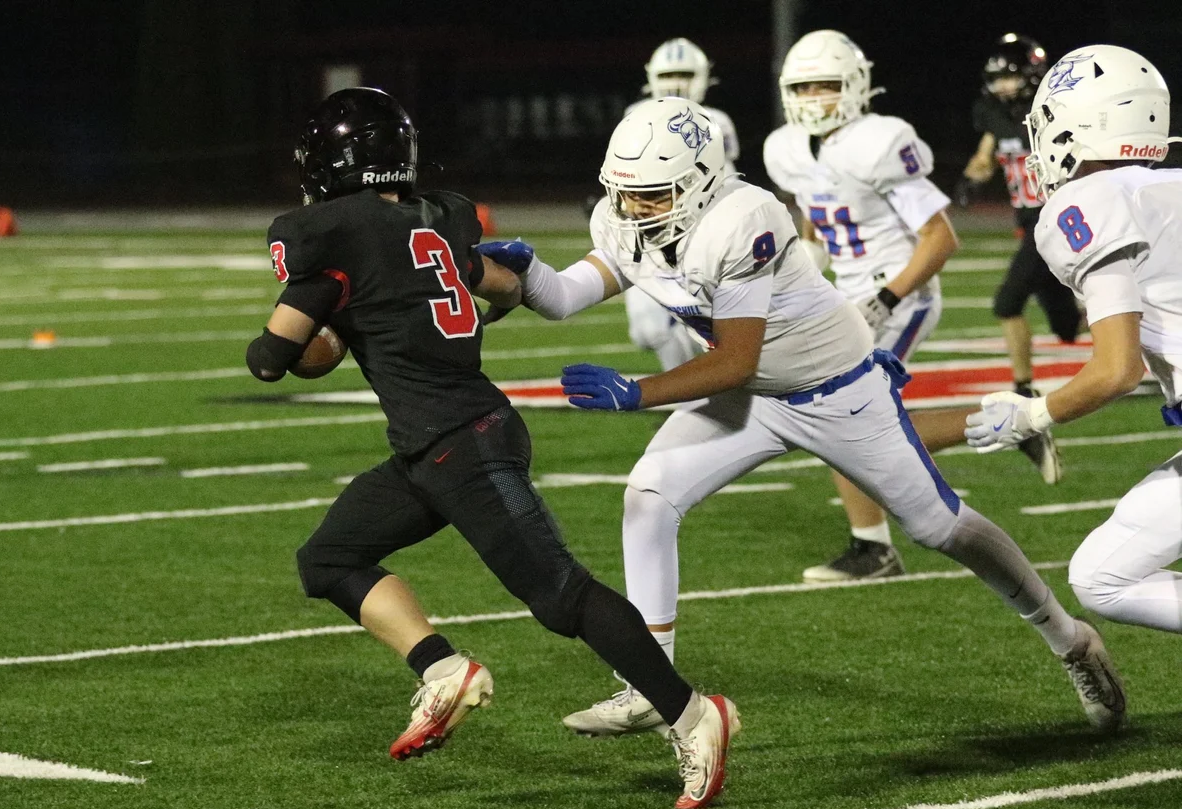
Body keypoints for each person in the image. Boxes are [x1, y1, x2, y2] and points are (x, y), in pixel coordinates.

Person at [476, 96, 1126, 740]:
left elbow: (736, 359)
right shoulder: (624, 218)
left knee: (940, 527)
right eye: (622, 192)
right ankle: (651, 682)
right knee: (648, 495)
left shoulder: (742, 218)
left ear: (701, 182)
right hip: (755, 398)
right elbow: (565, 297)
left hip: (834, 390)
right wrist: (523, 277)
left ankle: (1070, 639)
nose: (631, 208)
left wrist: (639, 391)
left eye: (650, 194)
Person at [251, 87, 737, 809]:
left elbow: (271, 358)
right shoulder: (439, 218)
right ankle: (443, 669)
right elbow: (504, 289)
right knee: (328, 558)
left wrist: (325, 315)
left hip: (463, 445)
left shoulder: (327, 236)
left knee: (562, 596)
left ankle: (693, 714)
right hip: (437, 443)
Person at [762, 30, 1057, 583]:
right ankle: (1008, 421)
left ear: (855, 86)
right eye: (803, 87)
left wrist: (886, 298)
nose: (814, 98)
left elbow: (941, 238)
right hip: (848, 294)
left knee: (841, 414)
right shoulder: (788, 149)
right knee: (847, 420)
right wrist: (803, 269)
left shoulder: (880, 141)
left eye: (826, 85)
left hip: (900, 293)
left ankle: (874, 548)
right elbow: (814, 218)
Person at [967, 44, 1182, 634]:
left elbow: (1117, 370)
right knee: (1100, 572)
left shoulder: (1089, 200)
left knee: (1107, 578)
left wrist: (1034, 414)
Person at [961, 33, 1074, 482]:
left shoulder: (1055, 113)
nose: (1004, 86)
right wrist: (973, 177)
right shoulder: (994, 114)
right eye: (998, 79)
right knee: (1067, 327)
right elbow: (986, 156)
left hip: (1057, 222)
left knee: (1007, 303)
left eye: (1010, 77)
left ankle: (1023, 389)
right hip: (1029, 225)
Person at [624, 38, 742, 373]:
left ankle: (693, 392)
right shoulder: (634, 115)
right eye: (669, 74)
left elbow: (723, 175)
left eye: (685, 74)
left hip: (698, 235)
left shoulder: (716, 120)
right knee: (646, 331)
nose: (676, 82)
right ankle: (695, 387)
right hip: (648, 235)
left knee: (695, 329)